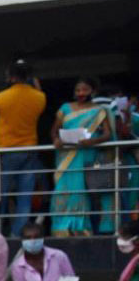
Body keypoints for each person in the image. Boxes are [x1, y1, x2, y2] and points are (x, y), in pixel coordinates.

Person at [50, 76, 116, 236]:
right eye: (78, 90)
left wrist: (92, 141)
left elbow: (107, 134)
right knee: (62, 189)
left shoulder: (99, 111)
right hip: (66, 155)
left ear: (92, 91)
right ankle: (61, 228)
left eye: (85, 90)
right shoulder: (65, 108)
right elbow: (54, 129)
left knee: (81, 190)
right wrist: (56, 140)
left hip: (86, 153)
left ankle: (80, 228)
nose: (81, 93)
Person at [0, 59, 46, 236]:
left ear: (10, 77)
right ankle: (17, 233)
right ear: (28, 76)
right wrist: (36, 86)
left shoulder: (0, 97)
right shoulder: (39, 97)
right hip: (29, 151)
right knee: (24, 196)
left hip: (6, 150)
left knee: (0, 194)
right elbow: (41, 105)